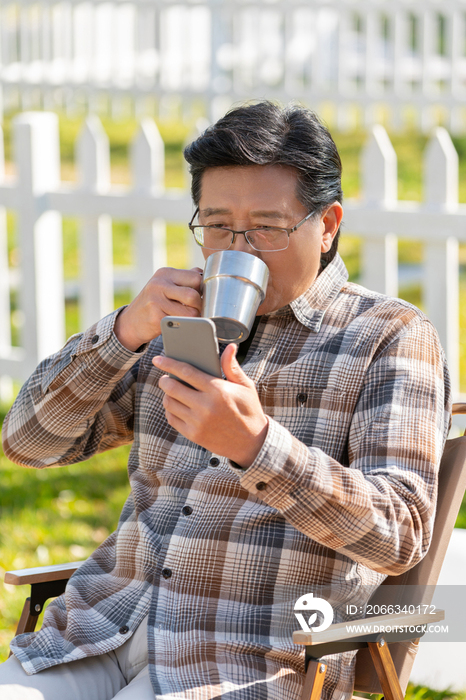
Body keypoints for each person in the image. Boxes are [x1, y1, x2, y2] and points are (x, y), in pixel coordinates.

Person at [1, 101, 451, 700]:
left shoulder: (387, 337)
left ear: (329, 223)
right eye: (217, 226)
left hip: (242, 657)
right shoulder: (176, 323)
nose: (240, 246)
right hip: (100, 628)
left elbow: (399, 535)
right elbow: (28, 445)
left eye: (268, 226)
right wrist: (121, 335)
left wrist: (258, 448)